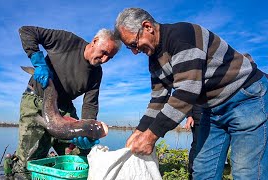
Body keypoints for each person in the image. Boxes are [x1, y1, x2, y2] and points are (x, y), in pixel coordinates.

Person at [114, 8, 267, 179]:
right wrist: (139, 131)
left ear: (148, 26)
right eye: (130, 48)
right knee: (203, 172)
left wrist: (151, 136)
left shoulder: (182, 36)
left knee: (248, 173)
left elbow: (186, 91)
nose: (135, 52)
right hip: (212, 109)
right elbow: (158, 100)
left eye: (134, 44)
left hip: (245, 99)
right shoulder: (154, 61)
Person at [12, 26, 121, 179]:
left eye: (109, 57)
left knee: (82, 154)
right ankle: (16, 168)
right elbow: (26, 31)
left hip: (64, 107)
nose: (104, 60)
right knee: (28, 162)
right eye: (104, 52)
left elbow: (90, 104)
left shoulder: (96, 73)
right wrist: (38, 62)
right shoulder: (67, 41)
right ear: (95, 41)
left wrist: (86, 135)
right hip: (36, 99)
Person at [183, 106, 202, 180]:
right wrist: (189, 115)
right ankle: (192, 175)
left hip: (216, 117)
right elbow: (188, 97)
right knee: (196, 146)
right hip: (198, 117)